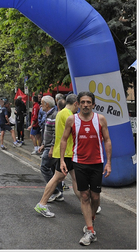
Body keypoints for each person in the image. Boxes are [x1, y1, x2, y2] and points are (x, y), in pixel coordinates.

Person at [60, 91, 112, 246]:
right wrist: (62, 160)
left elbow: (107, 140)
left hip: (97, 163)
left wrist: (108, 162)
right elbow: (63, 140)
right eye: (82, 102)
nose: (85, 105)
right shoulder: (71, 120)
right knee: (84, 196)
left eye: (88, 102)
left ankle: (92, 219)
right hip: (79, 163)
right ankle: (90, 230)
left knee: (95, 197)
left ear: (93, 104)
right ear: (78, 104)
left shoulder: (100, 119)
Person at [34, 94, 80, 217]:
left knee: (75, 179)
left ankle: (87, 204)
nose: (80, 108)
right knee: (57, 178)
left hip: (65, 152)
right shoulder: (69, 115)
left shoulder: (61, 113)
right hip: (66, 152)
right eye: (80, 105)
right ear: (76, 103)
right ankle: (42, 204)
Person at [36, 96, 62, 201]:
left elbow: (56, 133)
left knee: (44, 167)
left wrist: (51, 147)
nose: (40, 105)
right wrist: (43, 144)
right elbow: (48, 132)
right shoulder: (49, 114)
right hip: (48, 146)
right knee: (55, 170)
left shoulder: (54, 115)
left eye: (42, 103)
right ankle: (59, 193)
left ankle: (55, 191)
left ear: (47, 104)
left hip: (52, 148)